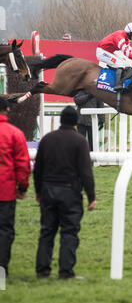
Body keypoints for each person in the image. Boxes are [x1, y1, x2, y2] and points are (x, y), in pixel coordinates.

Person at [34, 106, 96, 279]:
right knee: (69, 232)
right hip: (70, 192)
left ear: (61, 120)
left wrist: (38, 191)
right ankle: (66, 271)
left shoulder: (47, 139)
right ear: (76, 122)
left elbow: (38, 168)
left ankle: (42, 270)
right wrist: (91, 197)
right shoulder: (80, 141)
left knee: (46, 231)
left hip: (48, 190)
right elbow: (85, 172)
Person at [0, 97, 31, 277]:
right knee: (4, 231)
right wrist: (23, 188)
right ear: (8, 110)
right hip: (5, 191)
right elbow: (22, 165)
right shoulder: (15, 133)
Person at [96, 22, 132, 91]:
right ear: (129, 33)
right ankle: (117, 85)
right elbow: (126, 52)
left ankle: (122, 80)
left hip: (108, 52)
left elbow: (130, 51)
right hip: (102, 52)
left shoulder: (126, 39)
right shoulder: (120, 37)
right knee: (119, 64)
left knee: (125, 63)